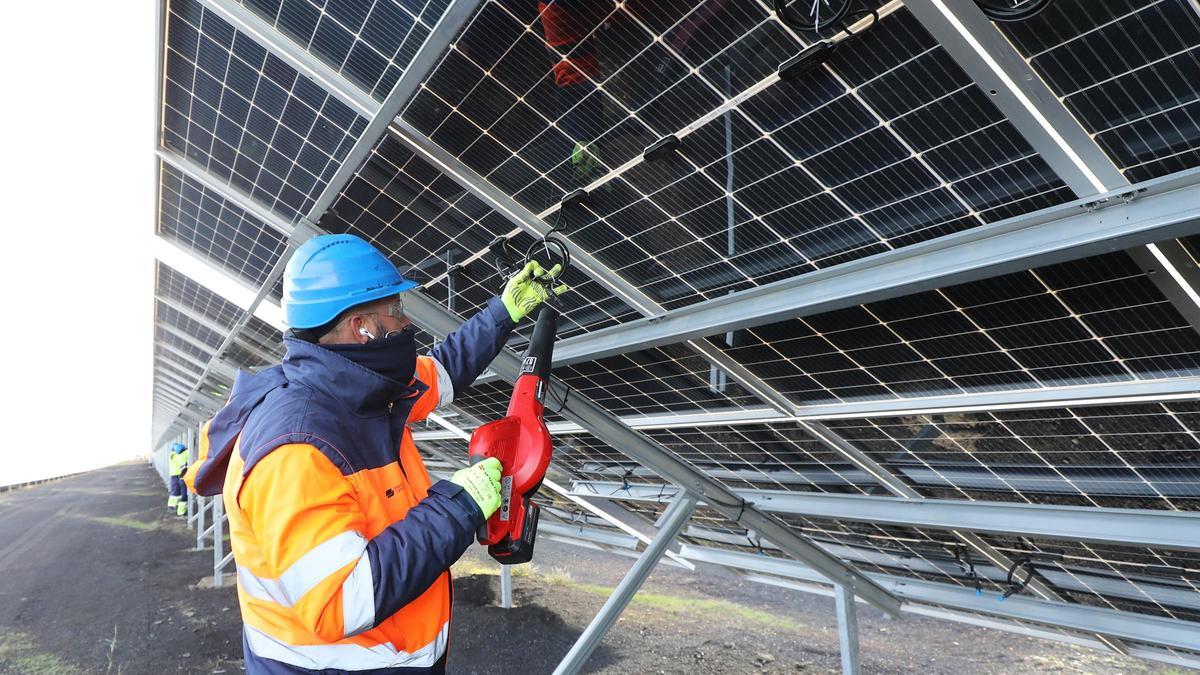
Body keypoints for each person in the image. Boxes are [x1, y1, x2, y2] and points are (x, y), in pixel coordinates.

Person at [183, 233, 565, 674]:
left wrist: (504, 311)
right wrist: (457, 508)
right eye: (397, 311)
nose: (405, 324)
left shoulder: (361, 386)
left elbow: (442, 370)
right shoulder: (296, 448)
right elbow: (341, 600)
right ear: (363, 328)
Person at [166, 442, 188, 516]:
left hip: (175, 476)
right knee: (183, 495)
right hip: (182, 476)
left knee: (176, 493)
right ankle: (181, 511)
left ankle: (172, 505)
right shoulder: (182, 455)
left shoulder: (172, 455)